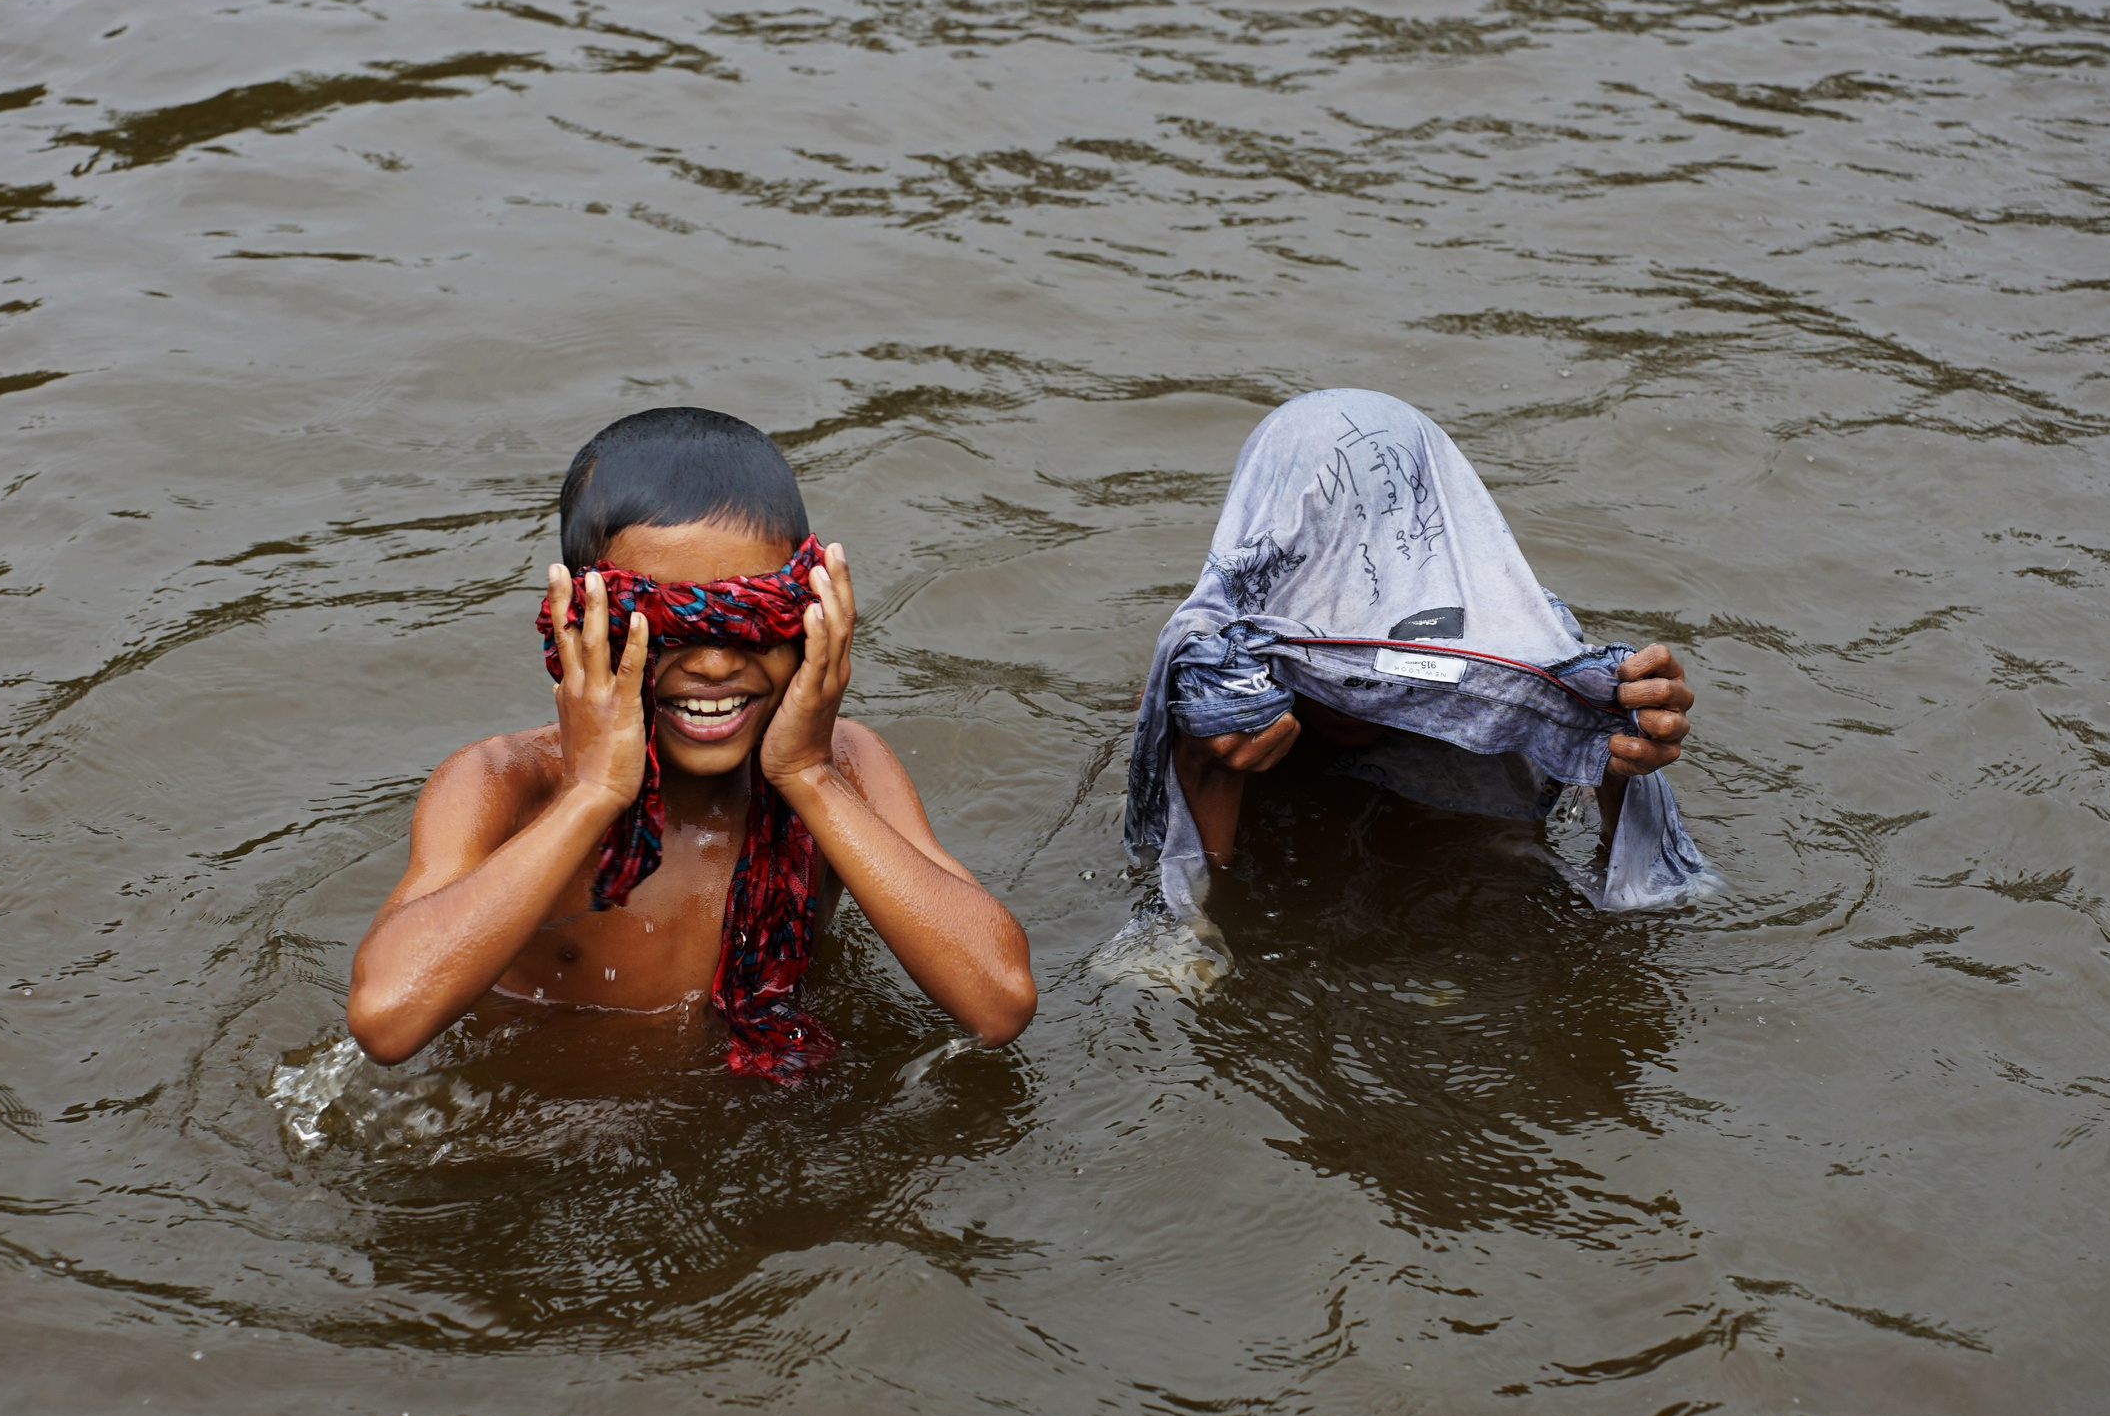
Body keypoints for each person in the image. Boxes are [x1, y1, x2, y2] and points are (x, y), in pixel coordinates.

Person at [346, 408, 1035, 1078]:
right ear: (578, 625)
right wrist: (589, 795)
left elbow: (998, 1002)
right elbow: (386, 1016)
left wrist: (808, 774)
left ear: (814, 616)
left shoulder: (846, 766)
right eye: (667, 630)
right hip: (553, 1135)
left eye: (749, 618)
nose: (711, 664)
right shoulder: (507, 784)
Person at [1125, 388, 1718, 921]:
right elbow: (1185, 876)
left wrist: (1620, 753)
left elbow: (1624, 858)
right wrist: (1203, 757)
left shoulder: (1520, 654)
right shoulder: (1214, 676)